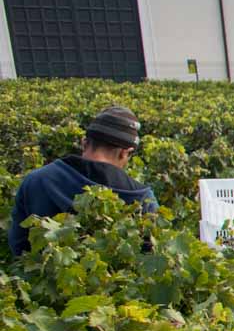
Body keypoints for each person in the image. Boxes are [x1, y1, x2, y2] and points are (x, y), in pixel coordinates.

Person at [8, 105, 155, 255]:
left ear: (84, 142)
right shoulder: (143, 198)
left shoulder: (36, 180)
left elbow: (19, 247)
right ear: (126, 153)